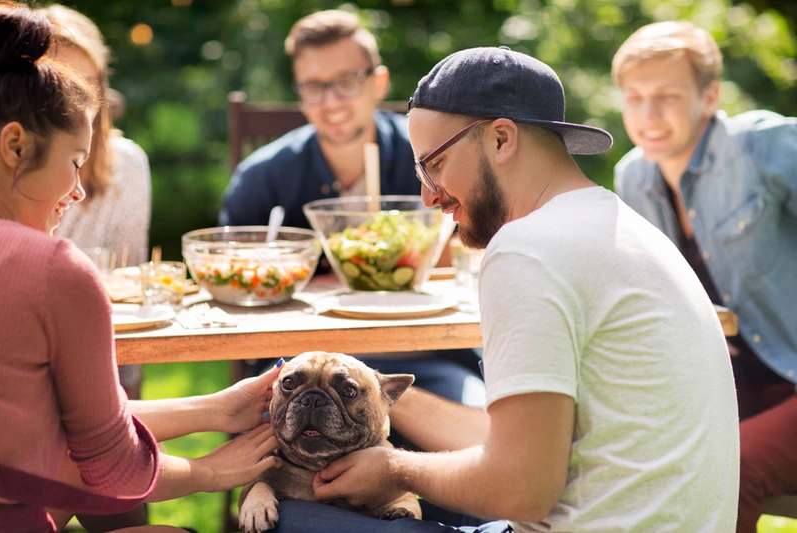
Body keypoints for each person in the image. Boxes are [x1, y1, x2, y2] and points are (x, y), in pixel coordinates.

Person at [265, 46, 741, 533]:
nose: (429, 196)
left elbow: (520, 489)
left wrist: (393, 469)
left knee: (289, 520)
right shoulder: (617, 225)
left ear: (500, 140)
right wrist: (364, 390)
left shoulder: (527, 250)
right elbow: (516, 440)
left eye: (435, 163)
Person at [0, 4, 282, 531]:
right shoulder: (53, 270)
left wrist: (217, 409)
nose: (79, 190)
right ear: (15, 145)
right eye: (74, 161)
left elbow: (57, 432)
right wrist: (210, 470)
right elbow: (108, 466)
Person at [219, 9, 485, 415]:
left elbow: (476, 250)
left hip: (424, 360)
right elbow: (233, 277)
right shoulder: (263, 177)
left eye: (346, 82)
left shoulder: (434, 159)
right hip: (304, 372)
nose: (331, 102)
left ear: (378, 82)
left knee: (480, 419)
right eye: (314, 86)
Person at [611, 21, 797, 533]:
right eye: (634, 97)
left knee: (730, 473)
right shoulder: (633, 176)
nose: (648, 115)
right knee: (628, 461)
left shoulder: (766, 146)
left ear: (710, 95)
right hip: (728, 380)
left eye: (667, 96)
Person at [42, 3, 152, 406]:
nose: (75, 108)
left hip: (104, 356)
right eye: (59, 87)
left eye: (87, 89)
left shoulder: (127, 165)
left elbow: (128, 285)